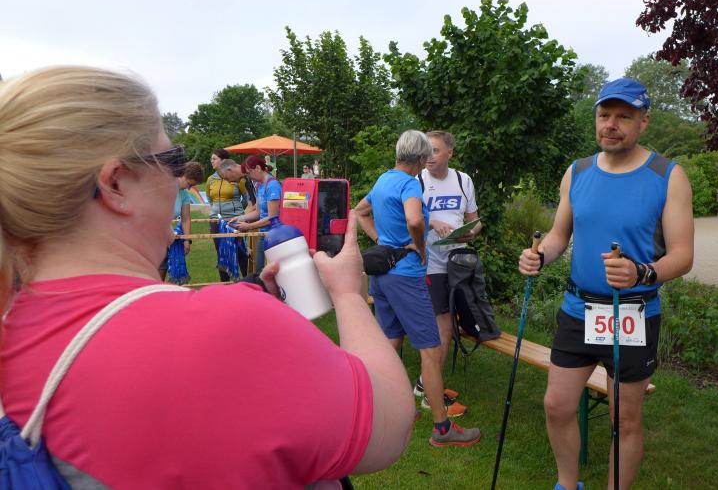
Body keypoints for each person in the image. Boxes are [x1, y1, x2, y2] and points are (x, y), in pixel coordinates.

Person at [0, 66, 414, 489]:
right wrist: (347, 293)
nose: (179, 180)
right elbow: (389, 426)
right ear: (116, 184)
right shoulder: (223, 327)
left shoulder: (13, 326)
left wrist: (252, 293)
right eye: (172, 161)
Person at [518, 78, 694, 490]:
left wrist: (641, 273)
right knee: (557, 405)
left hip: (632, 314)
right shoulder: (578, 171)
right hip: (578, 310)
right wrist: (540, 255)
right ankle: (567, 484)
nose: (611, 124)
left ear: (644, 121)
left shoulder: (668, 175)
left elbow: (683, 256)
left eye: (623, 117)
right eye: (604, 115)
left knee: (624, 418)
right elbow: (559, 234)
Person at [355, 129, 481, 448]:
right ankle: (442, 428)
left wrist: (382, 241)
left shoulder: (384, 179)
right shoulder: (410, 183)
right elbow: (414, 220)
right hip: (406, 276)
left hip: (382, 276)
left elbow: (360, 211)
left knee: (390, 343)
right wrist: (420, 248)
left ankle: (386, 410)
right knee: (430, 349)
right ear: (422, 157)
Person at [414, 130, 482, 417]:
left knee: (450, 324)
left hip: (457, 261)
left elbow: (474, 220)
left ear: (450, 153)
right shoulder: (417, 181)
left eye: (435, 150)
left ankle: (424, 383)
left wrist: (471, 233)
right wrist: (432, 223)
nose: (429, 156)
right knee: (443, 325)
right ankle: (431, 394)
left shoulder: (463, 180)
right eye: (426, 150)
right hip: (429, 262)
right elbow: (408, 219)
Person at [205, 148, 249, 280]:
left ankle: (246, 280)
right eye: (211, 159)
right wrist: (216, 211)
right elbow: (210, 199)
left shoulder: (237, 177)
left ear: (223, 161)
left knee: (240, 251)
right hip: (216, 221)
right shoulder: (210, 179)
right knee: (221, 253)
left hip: (234, 220)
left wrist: (237, 212)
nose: (211, 161)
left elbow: (246, 198)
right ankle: (224, 283)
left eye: (214, 158)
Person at [233, 155, 282, 273]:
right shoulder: (260, 185)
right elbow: (258, 212)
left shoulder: (272, 185)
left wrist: (249, 226)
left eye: (249, 173)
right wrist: (240, 218)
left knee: (272, 272)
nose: (249, 177)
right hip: (262, 234)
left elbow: (272, 218)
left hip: (275, 236)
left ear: (258, 168)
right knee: (259, 271)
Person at [159, 161, 204, 280]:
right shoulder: (162, 187)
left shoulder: (184, 193)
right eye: (189, 184)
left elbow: (186, 218)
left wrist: (187, 240)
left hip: (165, 234)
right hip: (151, 234)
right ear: (182, 174)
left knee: (163, 267)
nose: (188, 188)